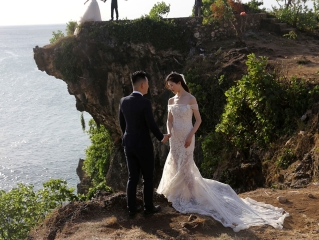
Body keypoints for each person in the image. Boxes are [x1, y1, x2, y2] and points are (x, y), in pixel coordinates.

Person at [157, 72, 289, 232]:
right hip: (175, 138)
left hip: (187, 137)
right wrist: (169, 132)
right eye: (169, 86)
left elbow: (198, 120)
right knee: (176, 165)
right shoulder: (171, 101)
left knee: (186, 166)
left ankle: (192, 196)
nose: (170, 88)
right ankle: (181, 195)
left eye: (172, 85)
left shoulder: (191, 99)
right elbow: (169, 120)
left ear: (179, 82)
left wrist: (190, 135)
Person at [119, 71, 170, 217]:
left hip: (129, 144)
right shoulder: (145, 102)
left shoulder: (123, 101)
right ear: (142, 85)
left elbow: (122, 123)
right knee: (147, 177)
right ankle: (148, 207)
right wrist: (161, 137)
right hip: (143, 144)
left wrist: (127, 137)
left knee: (132, 177)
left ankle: (132, 209)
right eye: (147, 83)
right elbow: (151, 124)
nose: (148, 86)